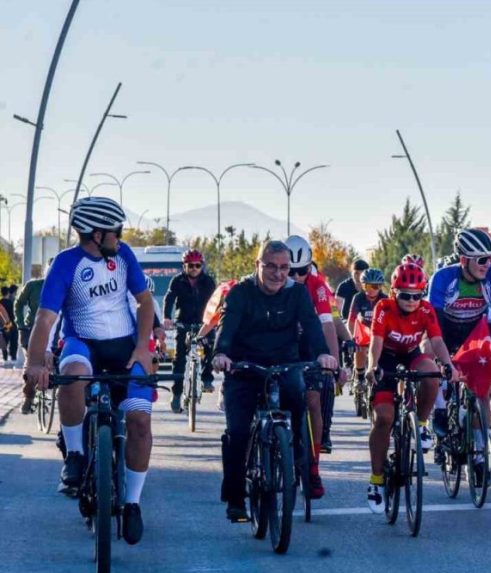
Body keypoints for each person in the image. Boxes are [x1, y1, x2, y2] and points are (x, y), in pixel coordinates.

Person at [24, 196, 157, 545]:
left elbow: (145, 302)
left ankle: (132, 504)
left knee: (140, 422)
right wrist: (35, 362)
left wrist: (143, 347)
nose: (121, 236)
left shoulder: (124, 255)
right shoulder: (66, 264)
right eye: (117, 230)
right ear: (96, 234)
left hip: (124, 346)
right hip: (83, 341)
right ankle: (77, 456)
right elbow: (46, 318)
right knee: (74, 375)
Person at [211, 240, 335, 521]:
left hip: (284, 366)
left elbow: (313, 328)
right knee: (239, 432)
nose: (278, 274)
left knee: (299, 401)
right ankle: (235, 497)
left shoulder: (298, 294)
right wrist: (221, 354)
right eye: (271, 266)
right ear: (258, 265)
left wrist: (323, 355)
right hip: (244, 369)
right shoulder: (241, 293)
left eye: (284, 268)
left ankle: (301, 459)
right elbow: (226, 325)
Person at [364, 263, 458, 512]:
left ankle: (423, 426)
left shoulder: (426, 310)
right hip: (386, 357)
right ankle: (376, 482)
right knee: (384, 418)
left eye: (417, 294)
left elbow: (436, 341)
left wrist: (448, 365)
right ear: (394, 292)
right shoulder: (383, 307)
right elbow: (376, 341)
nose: (412, 300)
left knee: (431, 373)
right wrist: (373, 365)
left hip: (411, 354)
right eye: (405, 294)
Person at [427, 228, 491, 486]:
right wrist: (444, 360)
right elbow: (433, 323)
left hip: (475, 331)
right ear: (463, 260)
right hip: (444, 330)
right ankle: (439, 412)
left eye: (490, 258)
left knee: (481, 392)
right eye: (482, 260)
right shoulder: (443, 278)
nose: (489, 265)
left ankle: (479, 455)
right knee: (429, 359)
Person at [284, 235, 345, 480]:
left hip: (309, 345)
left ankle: (313, 466)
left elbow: (328, 325)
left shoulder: (318, 285)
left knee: (313, 400)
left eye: (302, 271)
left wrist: (333, 361)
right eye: (292, 271)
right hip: (281, 345)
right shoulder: (273, 280)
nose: (297, 277)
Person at [163, 249, 217, 412]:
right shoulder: (177, 281)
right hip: (183, 323)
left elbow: (215, 302)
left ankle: (207, 379)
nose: (194, 268)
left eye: (197, 265)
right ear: (184, 266)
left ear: (202, 266)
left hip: (204, 323)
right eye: (190, 265)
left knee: (212, 346)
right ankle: (177, 394)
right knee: (179, 360)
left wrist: (216, 320)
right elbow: (170, 298)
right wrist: (167, 317)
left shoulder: (209, 282)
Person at [15, 265, 48, 413]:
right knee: (32, 362)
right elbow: (19, 303)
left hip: (53, 332)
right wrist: (20, 323)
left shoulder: (64, 286)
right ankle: (29, 397)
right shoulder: (33, 286)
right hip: (30, 330)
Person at [349, 268, 389, 386]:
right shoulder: (358, 298)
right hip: (363, 330)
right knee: (359, 346)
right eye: (367, 286)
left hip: (379, 332)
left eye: (375, 287)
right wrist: (351, 338)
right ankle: (360, 375)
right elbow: (351, 321)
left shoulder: (385, 299)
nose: (371, 290)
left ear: (380, 287)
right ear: (362, 286)